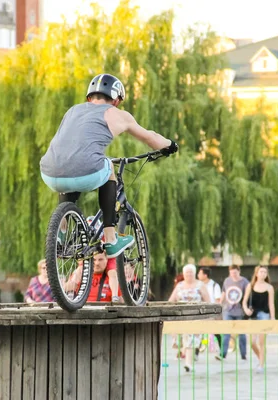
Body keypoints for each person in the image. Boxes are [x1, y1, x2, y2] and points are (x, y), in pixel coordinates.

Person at [40, 73, 178, 259]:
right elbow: (150, 137)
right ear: (116, 100)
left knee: (68, 166)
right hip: (86, 171)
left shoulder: (72, 110)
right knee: (108, 167)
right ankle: (111, 239)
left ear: (89, 97)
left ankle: (60, 235)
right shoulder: (117, 114)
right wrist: (170, 145)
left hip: (49, 172)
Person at [168, 264, 211, 372]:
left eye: (191, 272)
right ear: (183, 274)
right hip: (181, 316)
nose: (189, 274)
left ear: (194, 273)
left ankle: (188, 363)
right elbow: (171, 300)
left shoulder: (200, 285)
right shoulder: (179, 286)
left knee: (191, 339)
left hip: (195, 317)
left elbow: (208, 300)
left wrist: (207, 317)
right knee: (182, 340)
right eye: (187, 272)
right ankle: (186, 357)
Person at [242, 265, 275, 373]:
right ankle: (261, 358)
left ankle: (261, 365)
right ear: (256, 274)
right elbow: (244, 301)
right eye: (261, 272)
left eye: (265, 272)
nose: (263, 274)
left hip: (264, 314)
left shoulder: (269, 287)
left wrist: (273, 318)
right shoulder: (250, 286)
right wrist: (246, 309)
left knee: (262, 342)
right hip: (253, 315)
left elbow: (271, 304)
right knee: (252, 342)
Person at [217, 265, 249, 361]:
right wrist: (220, 303)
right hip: (228, 310)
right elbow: (224, 292)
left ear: (239, 271)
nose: (233, 275)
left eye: (235, 272)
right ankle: (223, 354)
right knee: (226, 332)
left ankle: (243, 354)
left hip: (239, 311)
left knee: (241, 333)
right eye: (231, 273)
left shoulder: (244, 282)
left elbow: (247, 295)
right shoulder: (227, 281)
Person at [196, 267, 222, 357]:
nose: (198, 275)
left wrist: (215, 313)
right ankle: (196, 352)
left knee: (215, 332)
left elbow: (218, 300)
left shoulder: (214, 285)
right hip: (199, 312)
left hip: (210, 312)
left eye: (200, 273)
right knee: (199, 332)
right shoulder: (197, 285)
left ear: (205, 275)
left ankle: (221, 350)